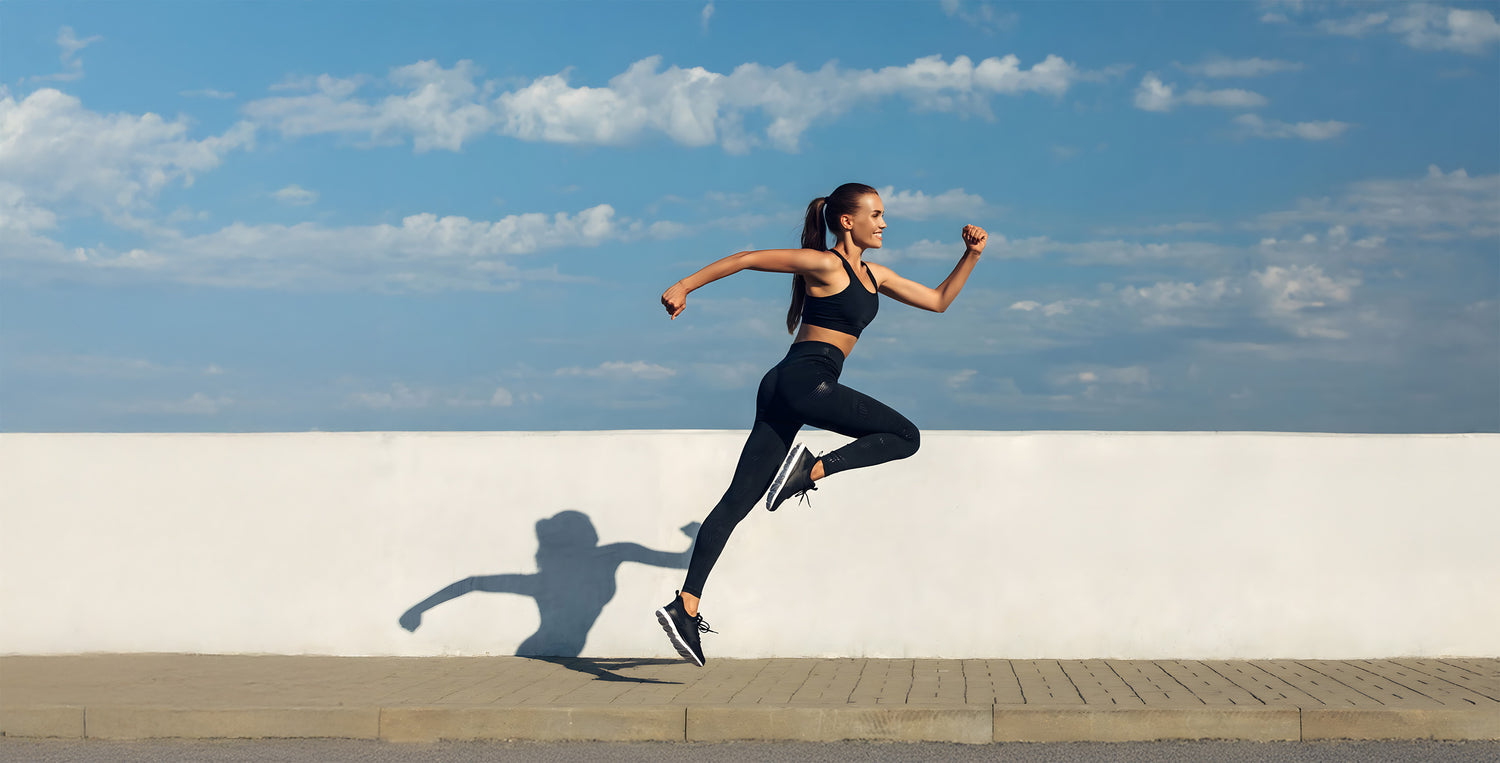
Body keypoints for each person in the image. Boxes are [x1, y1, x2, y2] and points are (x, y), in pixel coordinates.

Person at [654, 182, 987, 667]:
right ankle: (808, 472)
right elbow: (746, 258)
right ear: (847, 221)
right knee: (904, 436)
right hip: (805, 381)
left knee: (735, 503)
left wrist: (970, 255)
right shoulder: (826, 264)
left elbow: (938, 301)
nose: (884, 222)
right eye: (875, 214)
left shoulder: (875, 275)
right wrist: (684, 285)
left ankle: (685, 605)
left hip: (786, 386)